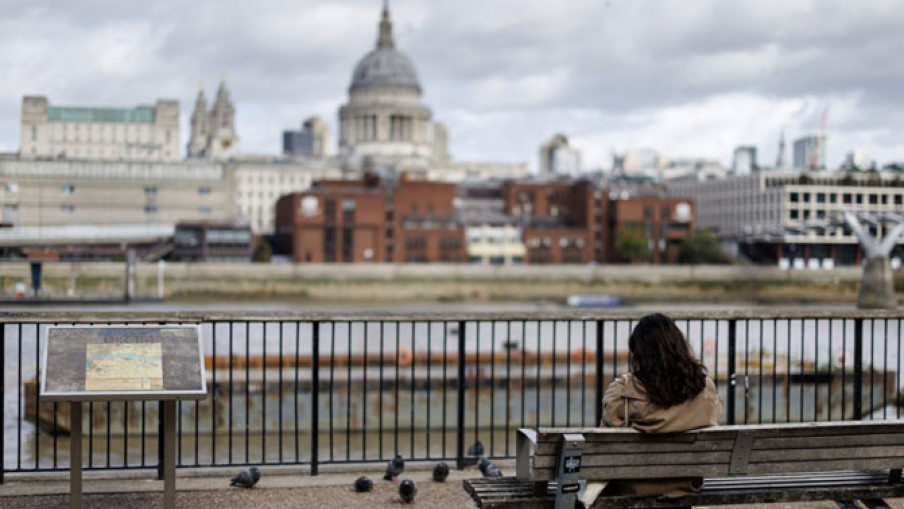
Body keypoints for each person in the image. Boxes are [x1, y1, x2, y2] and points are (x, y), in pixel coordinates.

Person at [598, 313, 722, 498]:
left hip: (631, 486)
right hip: (683, 484)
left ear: (639, 353)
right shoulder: (704, 389)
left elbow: (605, 445)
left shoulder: (622, 393)